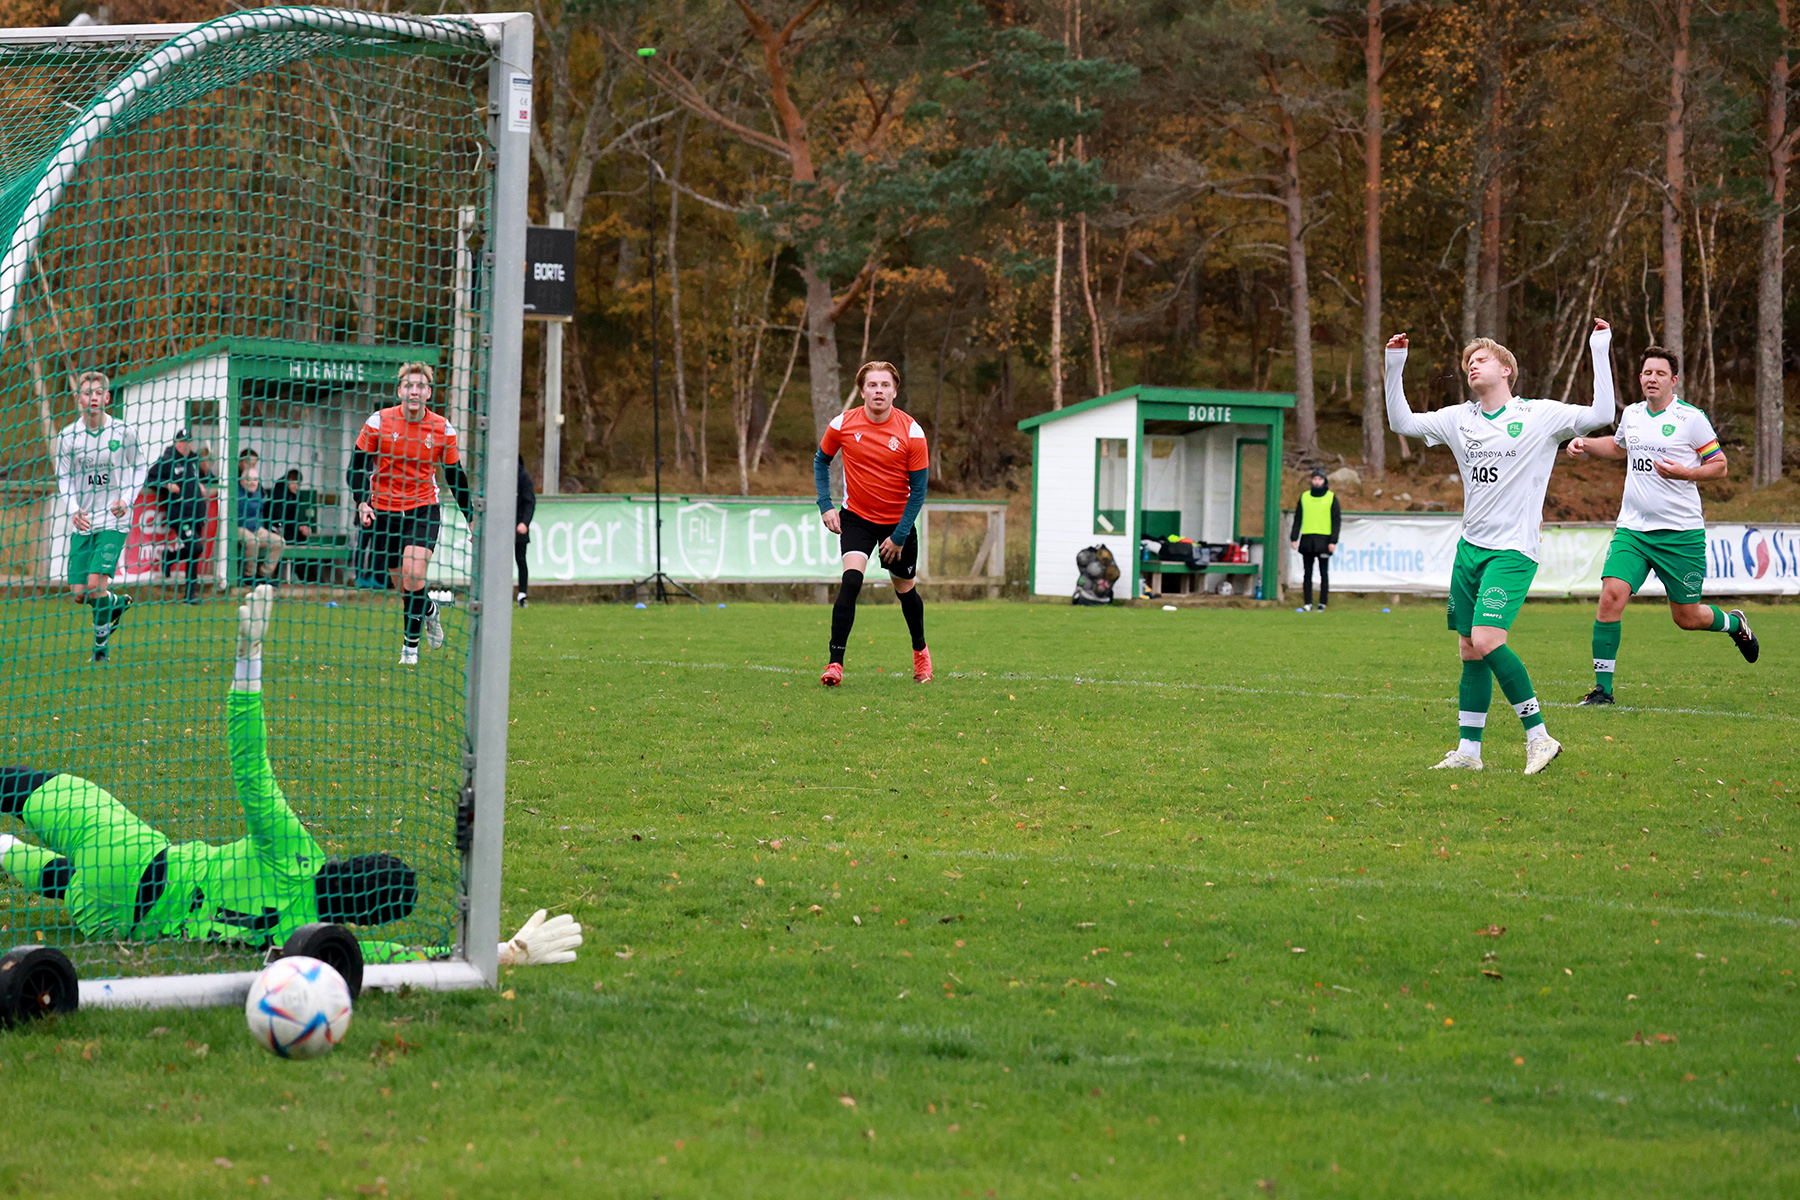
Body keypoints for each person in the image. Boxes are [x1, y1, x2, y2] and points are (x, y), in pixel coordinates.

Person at [0, 587, 582, 967]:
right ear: (364, 918)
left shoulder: (296, 857)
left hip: (132, 856)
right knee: (55, 875)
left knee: (40, 790)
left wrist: (248, 659)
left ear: (349, 864)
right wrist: (505, 953)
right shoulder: (321, 944)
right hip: (104, 918)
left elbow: (251, 769)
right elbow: (409, 959)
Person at [1384, 319, 1618, 775]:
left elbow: (1601, 412)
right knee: (1470, 648)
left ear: (1507, 369)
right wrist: (1395, 364)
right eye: (1467, 361)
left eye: (1482, 358)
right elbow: (1400, 422)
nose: (1471, 364)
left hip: (1512, 551)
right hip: (1470, 548)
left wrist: (1599, 346)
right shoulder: (1458, 418)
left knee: (1489, 639)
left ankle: (1539, 736)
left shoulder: (1538, 416)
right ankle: (1469, 752)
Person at [1566, 346, 1759, 704]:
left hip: (1680, 535)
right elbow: (1619, 447)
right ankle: (1602, 692)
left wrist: (1687, 473)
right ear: (1640, 379)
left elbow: (1720, 465)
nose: (1651, 378)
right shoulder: (1634, 415)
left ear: (1673, 380)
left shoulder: (1691, 418)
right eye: (1646, 373)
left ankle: (1734, 624)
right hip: (1634, 531)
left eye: (1659, 373)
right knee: (1610, 598)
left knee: (1686, 617)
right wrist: (1586, 444)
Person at [814, 361, 932, 686]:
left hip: (898, 524)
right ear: (862, 390)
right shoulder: (843, 424)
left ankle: (920, 652)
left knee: (905, 591)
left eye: (884, 385)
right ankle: (834, 664)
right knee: (850, 582)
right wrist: (826, 504)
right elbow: (821, 460)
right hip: (857, 519)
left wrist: (899, 535)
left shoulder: (911, 432)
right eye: (872, 385)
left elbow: (919, 491)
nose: (878, 390)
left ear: (895, 391)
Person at [348, 362, 474, 666]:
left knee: (415, 573)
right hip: (384, 511)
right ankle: (429, 610)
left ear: (429, 393)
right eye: (409, 385)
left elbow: (455, 476)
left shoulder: (443, 428)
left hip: (423, 508)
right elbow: (356, 468)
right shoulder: (378, 422)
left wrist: (471, 518)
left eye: (420, 386)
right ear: (399, 390)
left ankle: (410, 650)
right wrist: (362, 502)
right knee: (405, 587)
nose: (414, 390)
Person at [53, 370, 143, 662]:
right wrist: (73, 509)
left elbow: (140, 467)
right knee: (80, 593)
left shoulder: (123, 432)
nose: (91, 398)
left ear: (106, 397)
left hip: (113, 520)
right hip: (84, 521)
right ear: (78, 398)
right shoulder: (68, 436)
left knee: (94, 585)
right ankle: (117, 602)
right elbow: (63, 477)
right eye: (85, 393)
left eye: (96, 393)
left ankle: (100, 651)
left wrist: (126, 500)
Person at [143, 429, 216, 604]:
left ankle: (190, 594)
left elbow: (202, 478)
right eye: (183, 442)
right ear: (177, 443)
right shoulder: (167, 461)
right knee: (196, 547)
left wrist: (201, 483)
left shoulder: (193, 460)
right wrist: (167, 485)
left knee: (194, 552)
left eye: (189, 442)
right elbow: (149, 479)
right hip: (180, 513)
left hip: (197, 512)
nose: (187, 446)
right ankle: (170, 558)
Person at [1289, 467, 1340, 612]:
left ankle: (1323, 602)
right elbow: (1298, 518)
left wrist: (1333, 541)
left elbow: (1336, 520)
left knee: (1323, 572)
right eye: (1315, 479)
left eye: (1320, 479)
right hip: (1307, 539)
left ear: (1324, 481)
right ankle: (1308, 602)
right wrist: (1294, 537)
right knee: (1307, 572)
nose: (1317, 482)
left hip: (1324, 539)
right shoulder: (1305, 497)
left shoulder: (1330, 497)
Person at [235, 458, 285, 585]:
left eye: (256, 480)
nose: (253, 483)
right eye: (250, 480)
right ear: (242, 480)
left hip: (256, 528)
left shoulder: (258, 493)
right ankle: (248, 576)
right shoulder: (235, 492)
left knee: (279, 541)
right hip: (238, 527)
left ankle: (263, 575)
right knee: (252, 542)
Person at [515, 454, 537, 608]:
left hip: (518, 526)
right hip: (501, 527)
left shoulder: (523, 477)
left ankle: (522, 594)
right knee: (500, 562)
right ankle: (498, 595)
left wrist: (524, 522)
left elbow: (530, 502)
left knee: (520, 559)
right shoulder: (498, 476)